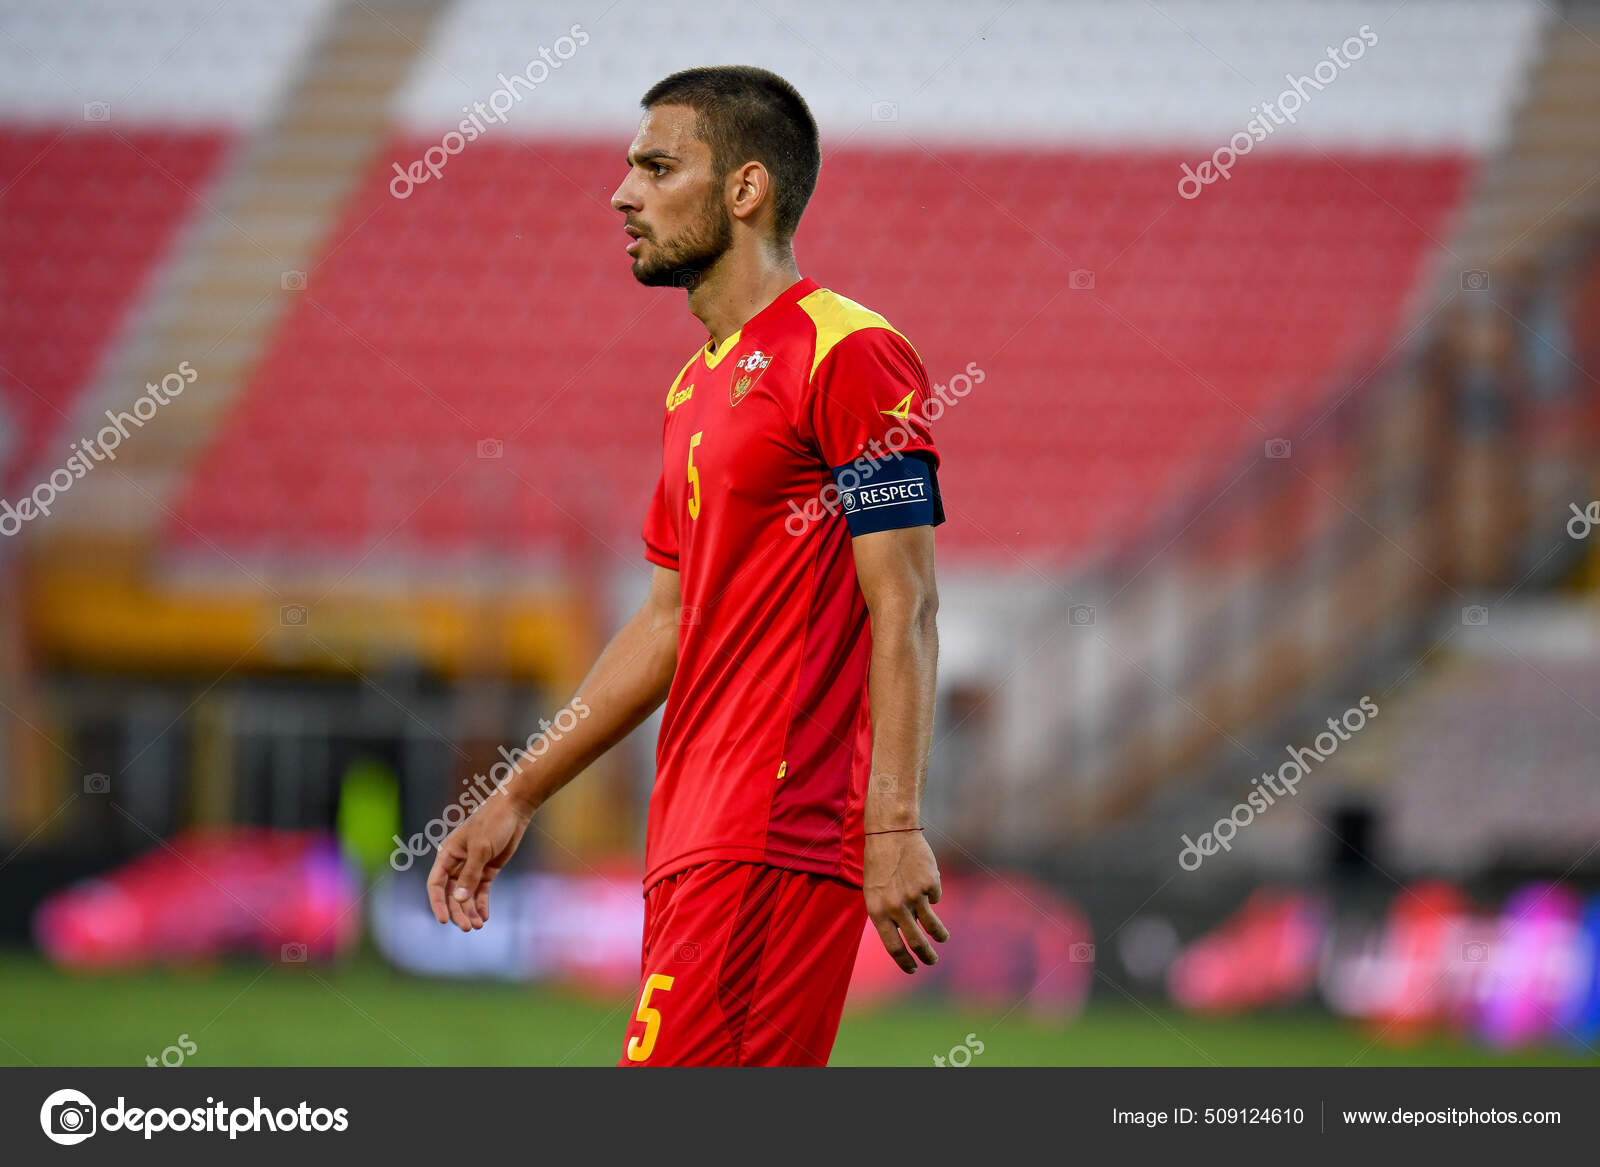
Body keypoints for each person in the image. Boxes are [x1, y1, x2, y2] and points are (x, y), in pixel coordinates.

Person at [427, 65, 949, 1066]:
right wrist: (518, 792)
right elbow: (670, 621)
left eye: (657, 167)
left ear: (745, 189)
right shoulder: (691, 390)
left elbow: (907, 604)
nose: (623, 195)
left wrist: (890, 825)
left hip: (776, 832)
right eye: (630, 169)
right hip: (692, 838)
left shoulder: (850, 354)